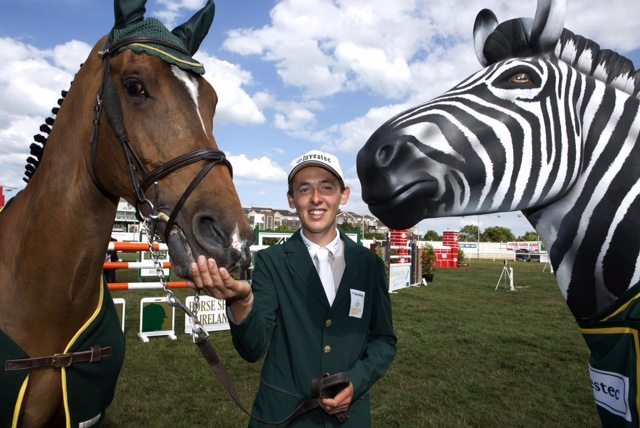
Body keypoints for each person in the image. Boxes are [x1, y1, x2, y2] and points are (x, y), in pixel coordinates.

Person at [189, 149, 397, 427]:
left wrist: (356, 383)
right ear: (291, 199)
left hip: (350, 419)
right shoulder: (271, 262)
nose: (316, 199)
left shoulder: (369, 265)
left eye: (326, 187)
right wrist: (243, 302)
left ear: (343, 195)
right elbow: (252, 349)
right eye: (304, 189)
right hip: (283, 417)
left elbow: (383, 340)